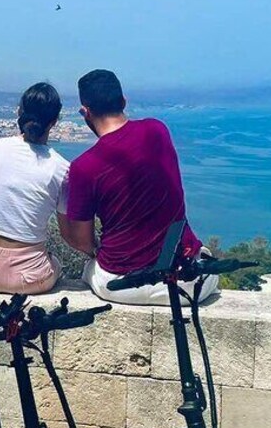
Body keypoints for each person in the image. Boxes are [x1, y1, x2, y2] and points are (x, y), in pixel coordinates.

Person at [60, 69, 218, 305]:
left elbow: (81, 240)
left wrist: (101, 252)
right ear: (124, 101)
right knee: (206, 259)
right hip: (184, 280)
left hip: (122, 284)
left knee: (90, 270)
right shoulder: (157, 131)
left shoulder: (83, 167)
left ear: (86, 112)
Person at [0, 82, 69, 294]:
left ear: (18, 112)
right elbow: (68, 232)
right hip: (31, 280)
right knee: (55, 263)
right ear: (55, 121)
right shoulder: (61, 168)